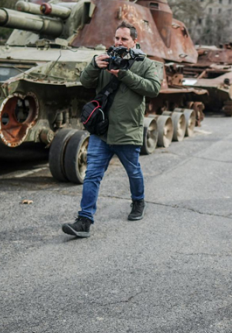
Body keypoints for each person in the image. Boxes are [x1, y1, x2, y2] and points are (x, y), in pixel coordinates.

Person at [61, 21, 162, 237]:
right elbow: (85, 82)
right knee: (92, 175)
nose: (119, 42)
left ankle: (138, 202)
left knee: (133, 171)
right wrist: (93, 65)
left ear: (135, 41)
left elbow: (153, 89)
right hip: (102, 130)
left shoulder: (145, 63)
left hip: (127, 130)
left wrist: (125, 75)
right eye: (117, 38)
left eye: (124, 39)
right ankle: (84, 220)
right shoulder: (104, 59)